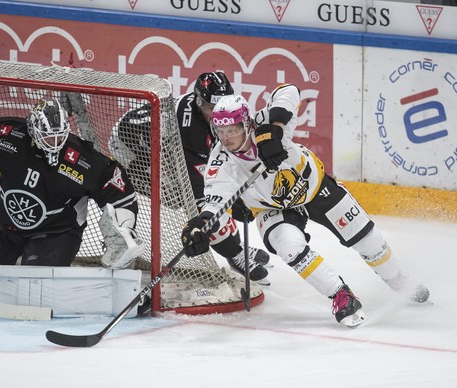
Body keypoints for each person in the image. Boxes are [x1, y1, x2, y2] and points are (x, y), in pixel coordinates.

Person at [181, 88, 429, 327]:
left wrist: (275, 129)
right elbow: (215, 202)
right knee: (289, 247)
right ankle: (340, 295)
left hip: (314, 188)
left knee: (366, 238)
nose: (226, 137)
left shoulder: (263, 122)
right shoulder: (220, 160)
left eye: (232, 130)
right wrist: (199, 225)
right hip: (272, 209)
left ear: (246, 124)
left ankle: (397, 279)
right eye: (220, 130)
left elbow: (289, 90)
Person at [0, 98, 145, 281]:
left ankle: (30, 258)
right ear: (33, 130)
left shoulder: (82, 159)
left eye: (59, 136)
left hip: (55, 233)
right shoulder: (8, 135)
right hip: (4, 224)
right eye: (48, 137)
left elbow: (118, 188)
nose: (54, 143)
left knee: (34, 288)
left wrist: (124, 228)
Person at [109, 72, 270, 285]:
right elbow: (206, 188)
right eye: (212, 109)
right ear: (199, 102)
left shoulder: (211, 111)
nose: (218, 114)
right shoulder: (190, 130)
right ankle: (234, 254)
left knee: (213, 194)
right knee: (203, 204)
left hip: (157, 143)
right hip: (131, 154)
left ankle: (236, 246)